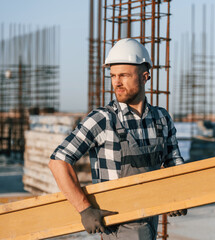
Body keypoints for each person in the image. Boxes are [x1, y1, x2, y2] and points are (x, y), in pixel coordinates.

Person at [48, 38, 187, 240]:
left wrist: (178, 196)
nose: (116, 82)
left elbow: (174, 163)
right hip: (117, 228)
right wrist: (84, 209)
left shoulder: (161, 118)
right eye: (113, 76)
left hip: (149, 223)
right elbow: (58, 161)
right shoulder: (103, 119)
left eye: (124, 75)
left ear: (144, 77)